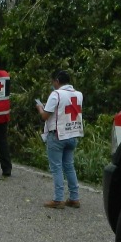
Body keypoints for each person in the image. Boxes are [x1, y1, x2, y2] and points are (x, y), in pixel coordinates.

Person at [37, 69, 84, 209]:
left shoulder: (56, 94)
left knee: (56, 167)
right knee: (69, 166)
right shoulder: (78, 94)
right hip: (73, 133)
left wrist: (40, 108)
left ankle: (58, 199)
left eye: (53, 81)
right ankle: (74, 198)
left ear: (57, 81)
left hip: (58, 135)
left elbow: (45, 116)